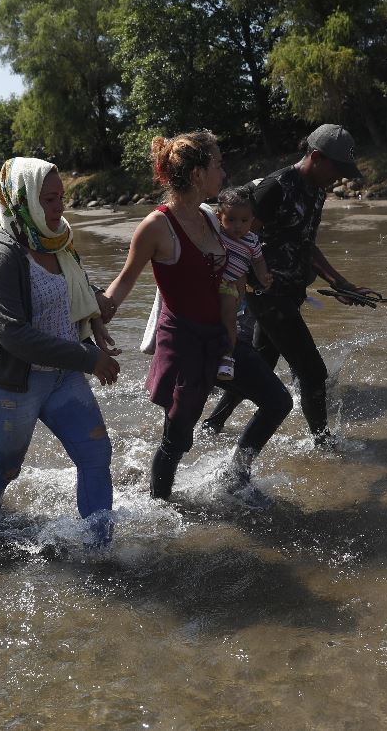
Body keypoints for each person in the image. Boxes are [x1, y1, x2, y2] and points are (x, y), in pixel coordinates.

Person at [104, 133, 291, 499]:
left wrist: (260, 279)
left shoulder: (210, 217)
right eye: (218, 165)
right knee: (177, 441)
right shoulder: (157, 226)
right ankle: (160, 507)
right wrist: (93, 319)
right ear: (196, 174)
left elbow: (243, 254)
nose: (223, 173)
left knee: (278, 402)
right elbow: (122, 284)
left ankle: (235, 476)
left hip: (222, 337)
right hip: (185, 345)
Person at [0, 157, 119, 542]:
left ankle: (99, 549)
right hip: (14, 384)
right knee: (4, 469)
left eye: (61, 197)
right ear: (24, 200)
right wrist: (90, 358)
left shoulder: (58, 239)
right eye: (49, 199)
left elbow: (77, 285)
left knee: (96, 456)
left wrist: (97, 309)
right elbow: (14, 335)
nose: (59, 207)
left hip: (63, 376)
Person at [207, 124, 378, 445]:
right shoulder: (275, 188)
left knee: (262, 365)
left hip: (290, 293)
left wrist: (342, 283)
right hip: (268, 296)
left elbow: (306, 245)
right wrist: (235, 292)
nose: (339, 177)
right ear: (315, 156)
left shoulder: (316, 191)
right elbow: (238, 238)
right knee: (313, 372)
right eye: (336, 169)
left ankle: (211, 426)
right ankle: (324, 444)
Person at [214, 186, 272, 381]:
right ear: (219, 216)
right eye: (231, 219)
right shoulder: (216, 233)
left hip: (232, 287)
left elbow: (258, 260)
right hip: (216, 283)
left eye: (244, 220)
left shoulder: (252, 240)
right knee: (225, 319)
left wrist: (263, 276)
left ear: (253, 220)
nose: (237, 226)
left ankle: (227, 358)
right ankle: (221, 354)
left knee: (230, 320)